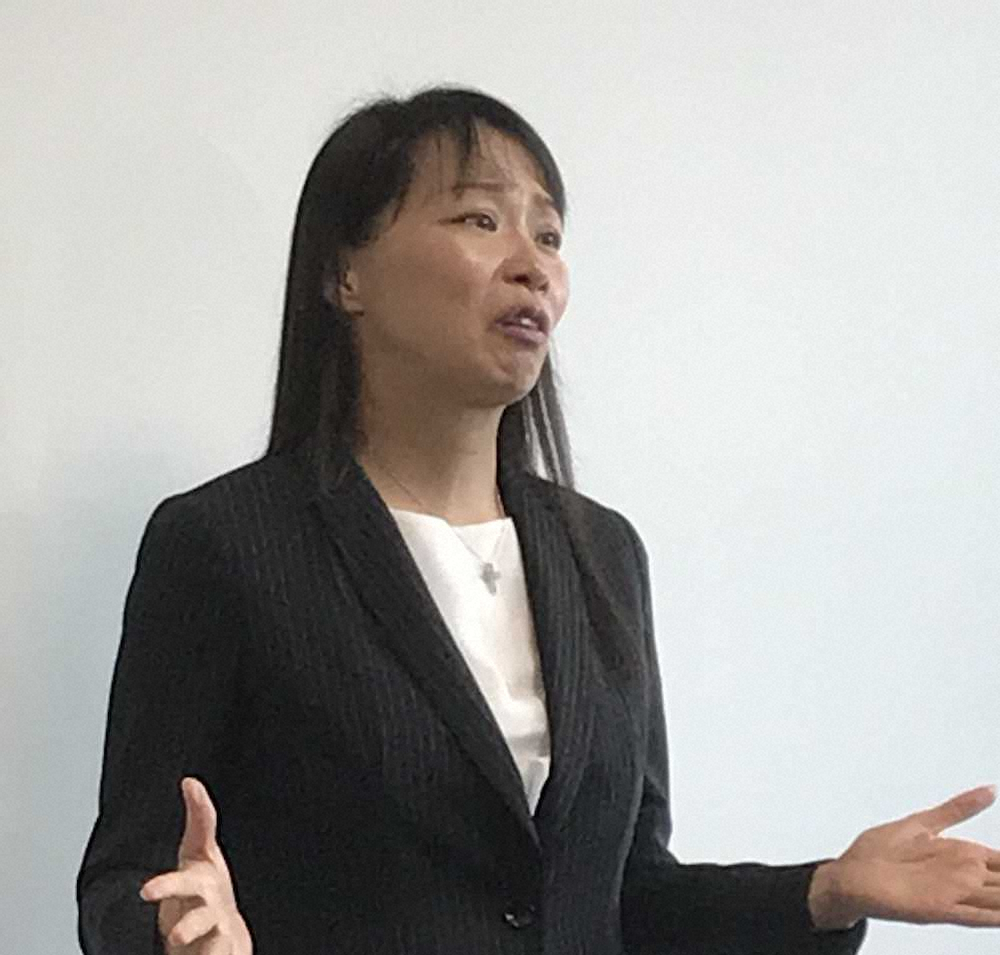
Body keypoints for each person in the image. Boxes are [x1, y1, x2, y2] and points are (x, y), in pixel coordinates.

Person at [76, 85, 999, 955]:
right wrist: (172, 929)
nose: (533, 263)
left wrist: (826, 890)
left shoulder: (601, 553)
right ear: (344, 273)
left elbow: (628, 895)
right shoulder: (226, 544)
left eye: (549, 234)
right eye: (480, 219)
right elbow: (125, 878)